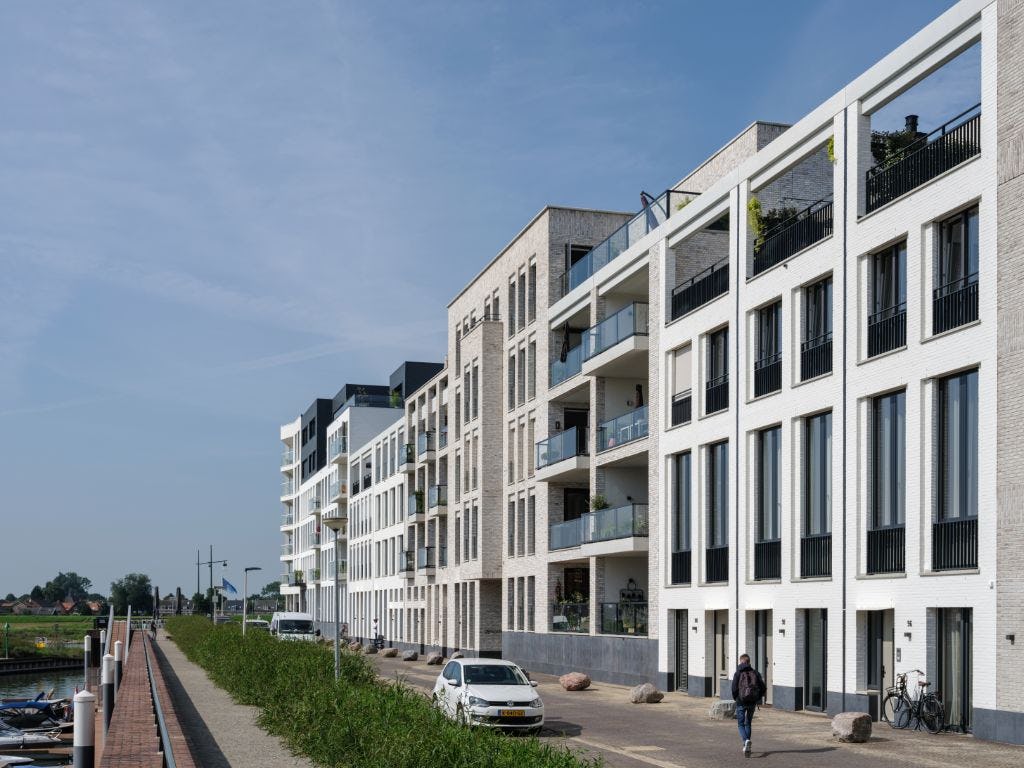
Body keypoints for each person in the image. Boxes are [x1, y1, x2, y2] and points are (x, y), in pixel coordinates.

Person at [731, 653, 767, 756]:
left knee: (740, 724)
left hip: (741, 702)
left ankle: (746, 741)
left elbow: (734, 688)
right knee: (748, 723)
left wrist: (736, 698)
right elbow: (763, 688)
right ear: (749, 662)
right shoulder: (755, 673)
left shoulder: (738, 673)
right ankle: (747, 747)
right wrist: (757, 698)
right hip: (752, 702)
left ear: (741, 661)